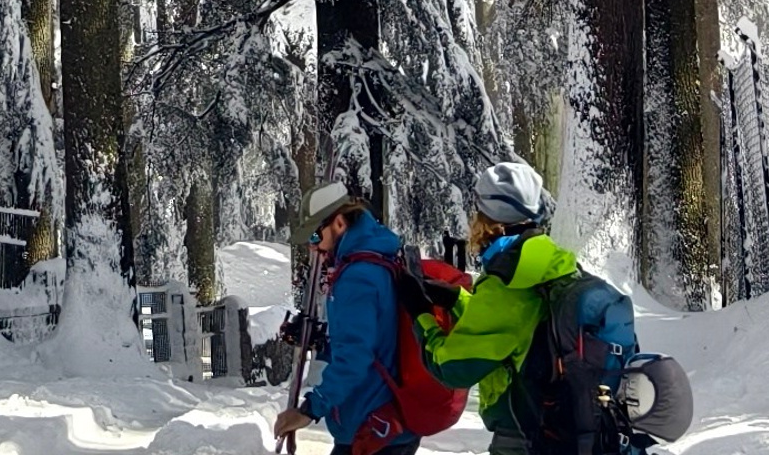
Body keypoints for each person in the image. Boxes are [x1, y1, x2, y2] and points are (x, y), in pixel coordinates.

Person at [425, 161, 636, 453]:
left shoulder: (507, 283)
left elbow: (452, 367)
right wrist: (457, 299)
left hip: (526, 438)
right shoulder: (553, 264)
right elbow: (520, 329)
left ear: (489, 222)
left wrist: (420, 315)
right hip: (567, 434)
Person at [269, 182, 420, 455]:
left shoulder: (357, 276)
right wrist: (324, 340)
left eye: (315, 236)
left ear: (339, 222)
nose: (313, 247)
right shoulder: (376, 259)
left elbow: (355, 356)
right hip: (384, 421)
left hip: (372, 426)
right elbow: (372, 336)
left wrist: (310, 409)